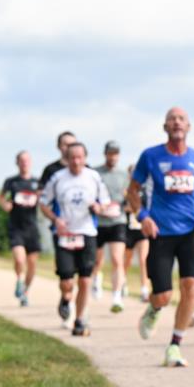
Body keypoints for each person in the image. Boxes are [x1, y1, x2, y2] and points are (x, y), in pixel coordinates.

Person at [128, 107, 194, 367]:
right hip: (160, 233)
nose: (177, 122)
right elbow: (132, 191)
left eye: (181, 119)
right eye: (172, 119)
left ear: (188, 127)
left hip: (190, 232)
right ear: (165, 127)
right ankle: (154, 308)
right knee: (163, 295)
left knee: (191, 287)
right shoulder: (151, 156)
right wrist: (143, 217)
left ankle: (175, 345)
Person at [39, 141, 111, 336]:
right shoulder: (57, 178)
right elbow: (43, 203)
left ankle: (79, 321)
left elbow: (105, 202)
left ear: (85, 158)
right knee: (67, 281)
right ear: (67, 159)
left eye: (80, 157)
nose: (76, 162)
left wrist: (99, 208)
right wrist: (55, 219)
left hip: (87, 232)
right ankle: (65, 298)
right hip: (64, 234)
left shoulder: (93, 177)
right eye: (72, 158)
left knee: (85, 280)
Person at [0, 151, 42, 306]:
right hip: (16, 226)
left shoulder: (37, 182)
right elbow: (2, 196)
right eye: (21, 161)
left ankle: (25, 292)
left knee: (32, 264)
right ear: (17, 163)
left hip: (32, 227)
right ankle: (19, 280)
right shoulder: (11, 182)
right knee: (19, 258)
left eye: (27, 160)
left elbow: (43, 198)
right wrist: (6, 205)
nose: (24, 163)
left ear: (30, 162)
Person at [92, 140, 130, 312]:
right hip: (99, 222)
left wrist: (124, 206)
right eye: (110, 153)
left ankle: (116, 296)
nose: (113, 156)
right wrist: (97, 206)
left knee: (117, 259)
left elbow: (130, 197)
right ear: (105, 153)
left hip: (118, 221)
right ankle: (96, 281)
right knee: (97, 260)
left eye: (116, 153)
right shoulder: (95, 172)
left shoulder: (124, 175)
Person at [39, 131, 78, 255]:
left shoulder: (87, 170)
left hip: (83, 227)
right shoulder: (51, 170)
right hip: (60, 226)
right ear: (59, 146)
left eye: (73, 144)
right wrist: (54, 218)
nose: (69, 148)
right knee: (66, 270)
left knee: (85, 270)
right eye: (66, 144)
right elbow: (41, 197)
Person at [123, 164, 151, 303]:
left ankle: (144, 290)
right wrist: (129, 208)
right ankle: (122, 282)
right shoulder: (126, 191)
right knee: (126, 261)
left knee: (143, 259)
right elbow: (123, 207)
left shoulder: (145, 190)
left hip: (142, 230)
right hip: (128, 230)